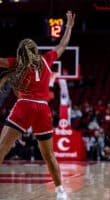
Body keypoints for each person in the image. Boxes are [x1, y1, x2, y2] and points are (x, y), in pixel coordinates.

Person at [0, 11, 75, 200]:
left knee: (1, 148)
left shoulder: (18, 62)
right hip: (43, 109)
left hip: (24, 106)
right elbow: (63, 44)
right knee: (49, 156)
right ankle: (61, 192)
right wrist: (69, 27)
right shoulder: (47, 58)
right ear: (35, 51)